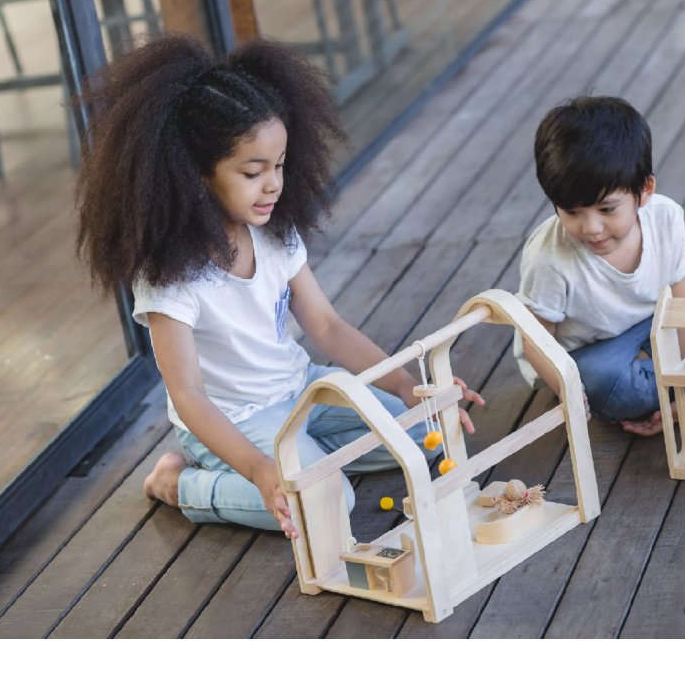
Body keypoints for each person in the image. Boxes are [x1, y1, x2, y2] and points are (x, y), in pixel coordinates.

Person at [74, 34, 483, 538]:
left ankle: (307, 462)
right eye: (253, 171)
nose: (273, 184)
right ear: (196, 175)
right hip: (233, 420)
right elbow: (189, 395)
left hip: (301, 388)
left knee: (429, 431)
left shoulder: (272, 233)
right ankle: (180, 483)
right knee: (327, 503)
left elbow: (328, 327)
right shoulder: (170, 279)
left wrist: (405, 385)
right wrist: (257, 468)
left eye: (280, 165)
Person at [514, 96, 685, 437]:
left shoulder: (665, 216)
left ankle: (661, 366)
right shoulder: (548, 255)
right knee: (605, 381)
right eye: (572, 212)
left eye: (607, 209)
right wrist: (568, 393)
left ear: (644, 190)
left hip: (659, 319)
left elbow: (683, 309)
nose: (591, 228)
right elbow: (535, 342)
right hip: (596, 353)